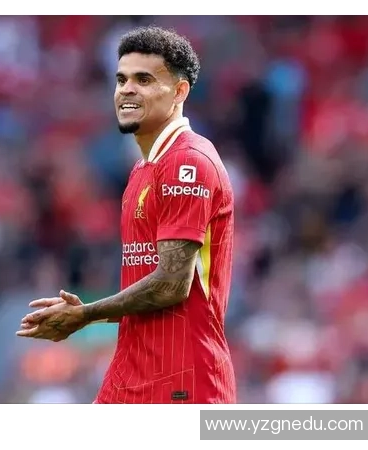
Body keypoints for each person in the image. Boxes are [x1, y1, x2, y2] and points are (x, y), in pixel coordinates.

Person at [16, 25, 237, 404]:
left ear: (179, 92)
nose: (127, 90)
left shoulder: (189, 162)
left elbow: (172, 284)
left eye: (144, 79)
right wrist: (87, 313)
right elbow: (146, 284)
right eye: (122, 79)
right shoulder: (142, 170)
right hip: (130, 373)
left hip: (183, 380)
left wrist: (86, 315)